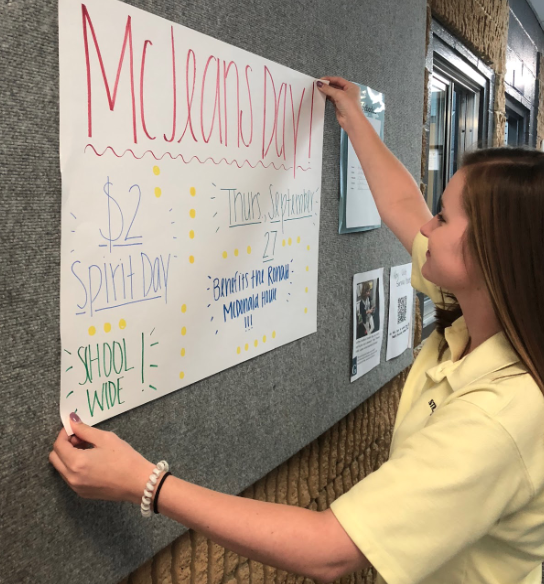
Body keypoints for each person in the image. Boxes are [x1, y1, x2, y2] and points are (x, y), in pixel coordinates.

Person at [50, 77, 544, 584]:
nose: (426, 228)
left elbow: (330, 550)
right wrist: (354, 117)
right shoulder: (473, 309)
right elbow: (402, 206)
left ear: (494, 255)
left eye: (442, 218)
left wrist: (144, 483)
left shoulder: (502, 417)